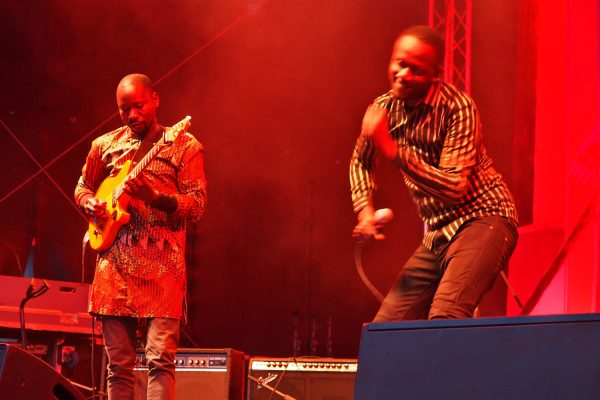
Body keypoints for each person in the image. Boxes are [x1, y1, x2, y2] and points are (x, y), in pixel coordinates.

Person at [350, 25, 518, 321]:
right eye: (399, 63)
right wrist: (365, 211)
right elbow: (361, 162)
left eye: (415, 69)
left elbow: (454, 186)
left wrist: (391, 148)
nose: (402, 74)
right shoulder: (383, 108)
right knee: (387, 327)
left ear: (434, 74)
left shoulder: (458, 107)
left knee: (446, 314)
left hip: (484, 219)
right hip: (438, 232)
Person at [74, 73, 207, 399]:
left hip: (163, 273)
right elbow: (82, 188)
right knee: (117, 366)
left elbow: (198, 205)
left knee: (160, 362)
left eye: (138, 106)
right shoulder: (104, 146)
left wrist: (155, 197)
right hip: (114, 272)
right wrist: (90, 203)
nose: (132, 115)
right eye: (124, 109)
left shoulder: (185, 146)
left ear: (155, 100)